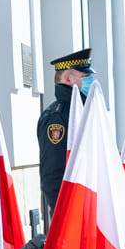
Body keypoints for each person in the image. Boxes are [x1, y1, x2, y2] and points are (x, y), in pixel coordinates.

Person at [37, 48, 95, 211]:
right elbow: (52, 174)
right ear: (69, 79)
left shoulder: (85, 111)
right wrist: (64, 215)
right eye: (85, 77)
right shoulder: (56, 117)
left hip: (89, 205)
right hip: (72, 211)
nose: (91, 81)